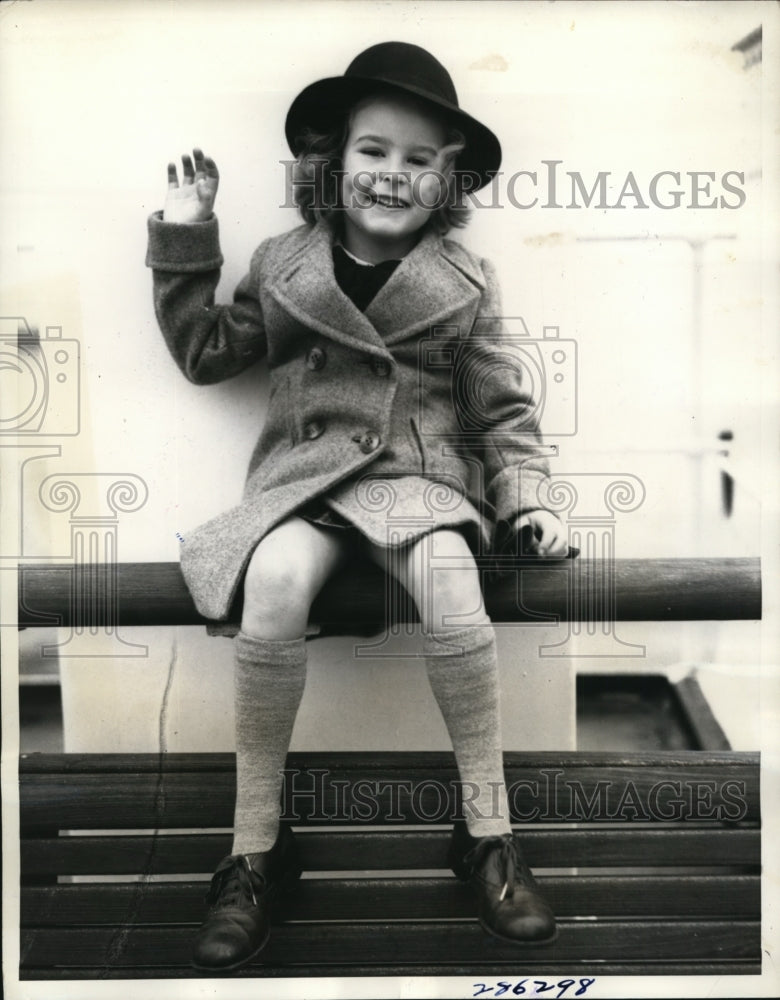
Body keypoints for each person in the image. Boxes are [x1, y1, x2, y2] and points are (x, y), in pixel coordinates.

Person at [146, 40, 569, 972]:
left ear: (446, 181)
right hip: (302, 484)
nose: (393, 175)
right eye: (374, 151)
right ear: (334, 162)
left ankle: (489, 834)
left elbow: (501, 406)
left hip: (419, 483)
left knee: (454, 578)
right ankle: (253, 849)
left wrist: (527, 497)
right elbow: (209, 353)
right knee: (276, 580)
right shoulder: (284, 261)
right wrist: (186, 238)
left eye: (420, 160)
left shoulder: (465, 282)